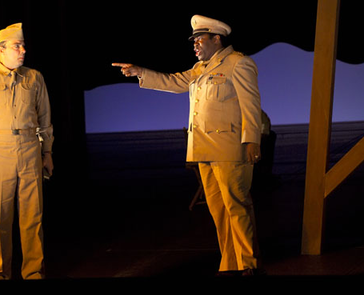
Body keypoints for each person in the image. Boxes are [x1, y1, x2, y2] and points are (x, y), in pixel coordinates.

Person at [113, 15, 263, 275]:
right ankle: (230, 263)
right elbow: (173, 82)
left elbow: (251, 105)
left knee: (237, 206)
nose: (195, 44)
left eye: (199, 39)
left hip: (230, 149)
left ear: (217, 39)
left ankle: (249, 263)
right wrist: (140, 72)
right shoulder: (199, 69)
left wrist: (252, 140)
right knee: (218, 211)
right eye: (193, 41)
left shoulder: (239, 63)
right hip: (205, 150)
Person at [0, 23, 54, 280]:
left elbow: (45, 116)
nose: (23, 50)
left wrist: (47, 152)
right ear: (1, 50)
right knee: (0, 218)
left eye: (23, 46)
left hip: (29, 149)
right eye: (17, 46)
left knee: (32, 216)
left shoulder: (34, 77)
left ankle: (34, 271)